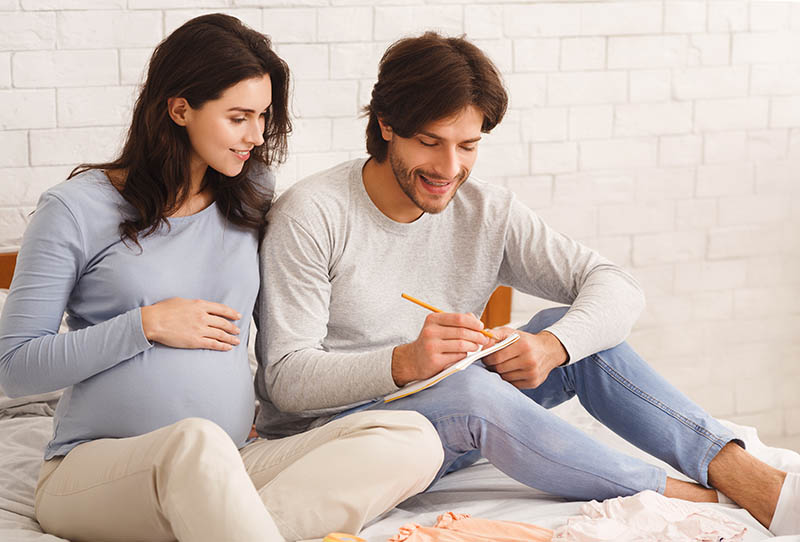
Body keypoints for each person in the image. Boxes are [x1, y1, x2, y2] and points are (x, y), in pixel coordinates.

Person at [255, 32, 798, 536]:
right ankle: (685, 497)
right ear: (386, 124)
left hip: (455, 424)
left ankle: (741, 475)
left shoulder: (484, 210)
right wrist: (405, 364)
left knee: (569, 331)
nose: (449, 167)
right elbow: (284, 379)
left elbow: (615, 284)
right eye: (430, 142)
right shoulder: (313, 214)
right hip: (343, 438)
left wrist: (554, 347)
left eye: (468, 145)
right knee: (464, 389)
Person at [0, 15, 443, 542]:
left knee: (411, 435)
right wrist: (145, 324)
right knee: (195, 443)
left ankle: (227, 525)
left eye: (262, 116)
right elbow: (14, 367)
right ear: (180, 108)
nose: (256, 136)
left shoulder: (250, 192)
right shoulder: (75, 209)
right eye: (239, 117)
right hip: (92, 473)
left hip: (230, 465)